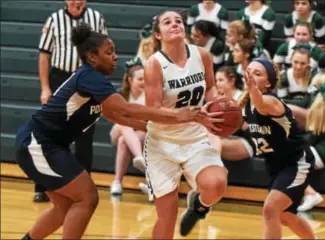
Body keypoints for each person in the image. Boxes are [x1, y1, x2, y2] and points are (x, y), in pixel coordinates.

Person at [16, 23, 217, 240]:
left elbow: (114, 115)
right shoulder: (89, 76)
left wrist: (156, 131)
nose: (115, 57)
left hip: (48, 145)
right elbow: (125, 108)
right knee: (87, 197)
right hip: (38, 144)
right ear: (92, 57)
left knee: (64, 205)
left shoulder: (94, 80)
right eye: (109, 52)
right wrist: (178, 115)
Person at [144, 10, 228, 239]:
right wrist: (188, 114)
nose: (174, 24)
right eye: (167, 22)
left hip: (195, 137)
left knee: (217, 184)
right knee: (167, 216)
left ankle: (198, 204)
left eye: (178, 21)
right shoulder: (154, 64)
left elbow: (210, 87)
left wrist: (217, 101)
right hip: (162, 144)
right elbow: (153, 112)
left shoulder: (201, 55)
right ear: (158, 34)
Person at [35, 0, 108, 202]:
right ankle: (43, 187)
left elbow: (105, 52)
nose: (77, 1)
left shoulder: (97, 18)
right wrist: (45, 88)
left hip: (87, 78)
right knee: (50, 134)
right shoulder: (54, 19)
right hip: (60, 78)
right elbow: (44, 56)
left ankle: (84, 189)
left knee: (85, 136)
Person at [238, 58, 315, 239]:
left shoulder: (272, 102)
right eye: (249, 71)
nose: (251, 76)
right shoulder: (246, 106)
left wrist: (252, 89)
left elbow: (261, 104)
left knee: (270, 208)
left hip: (296, 163)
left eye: (258, 74)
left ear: (269, 83)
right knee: (285, 215)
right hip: (275, 166)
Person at [293, 72, 325, 211]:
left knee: (285, 160)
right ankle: (308, 193)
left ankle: (311, 194)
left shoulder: (324, 108)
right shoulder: (324, 103)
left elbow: (314, 136)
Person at [110, 64, 146, 195]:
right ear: (130, 80)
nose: (144, 82)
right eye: (140, 79)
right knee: (123, 126)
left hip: (141, 132)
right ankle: (139, 156)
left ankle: (117, 182)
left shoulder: (150, 96)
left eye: (146, 79)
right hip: (120, 128)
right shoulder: (121, 94)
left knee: (123, 141)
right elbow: (116, 118)